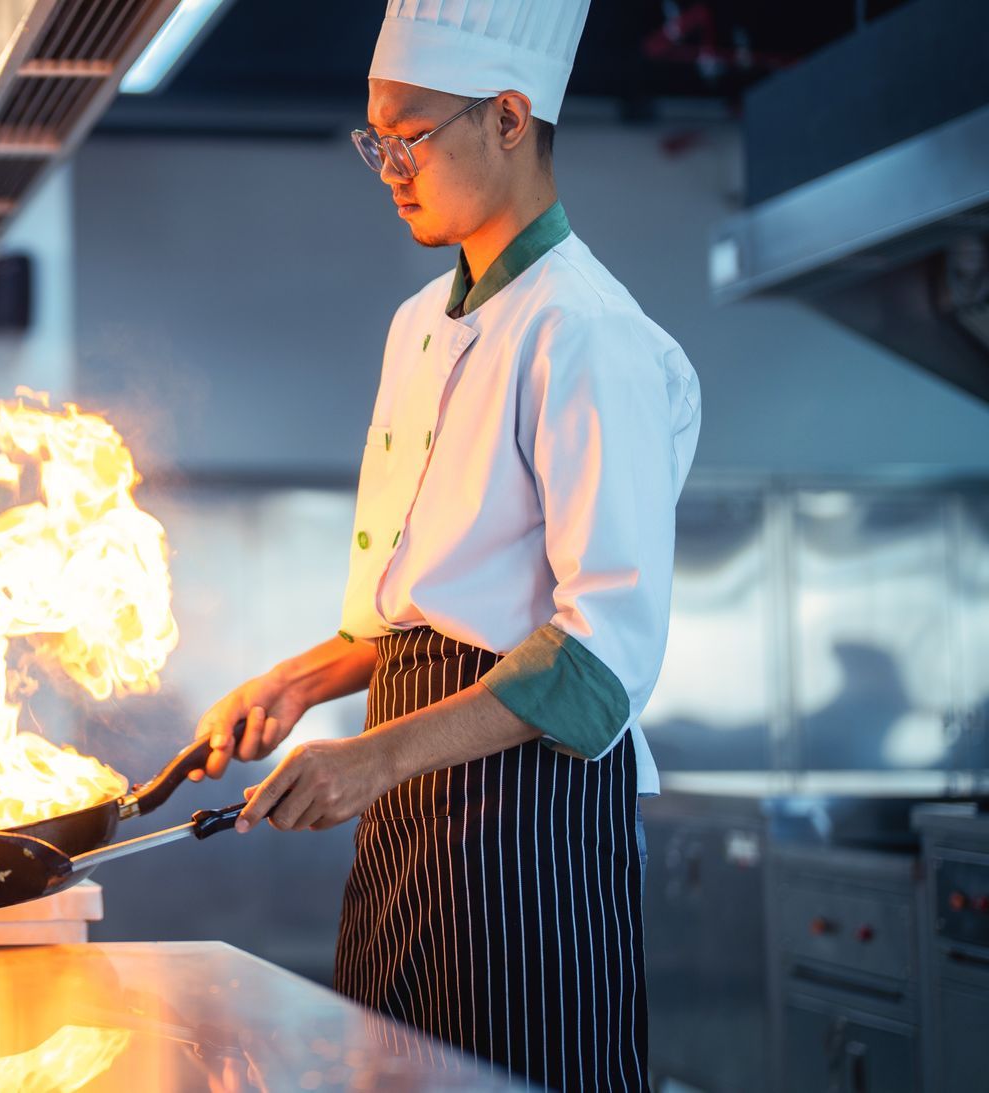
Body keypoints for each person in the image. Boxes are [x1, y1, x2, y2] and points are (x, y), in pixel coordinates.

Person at [188, 1, 701, 1088]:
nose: (387, 168)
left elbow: (600, 657)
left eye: (409, 137)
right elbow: (427, 601)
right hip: (414, 796)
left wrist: (372, 757)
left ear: (510, 118)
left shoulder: (588, 333)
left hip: (531, 809)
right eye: (375, 140)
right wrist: (300, 680)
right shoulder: (421, 322)